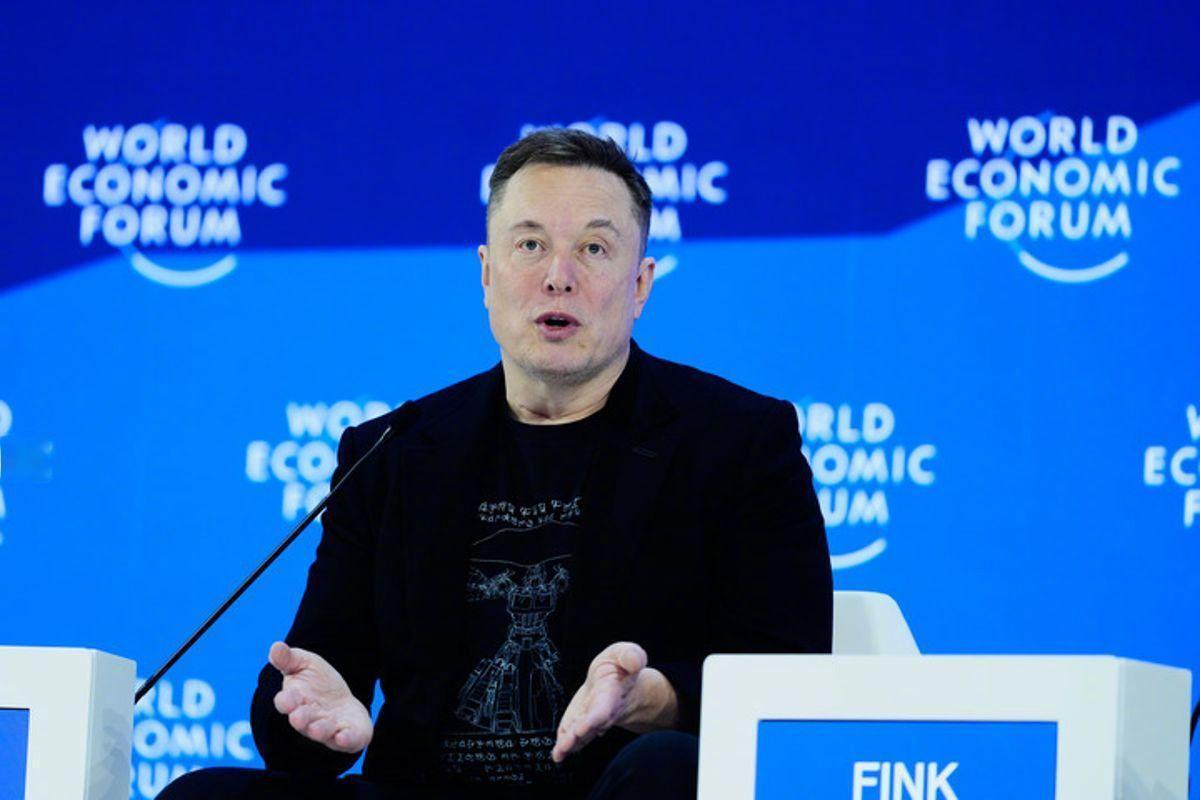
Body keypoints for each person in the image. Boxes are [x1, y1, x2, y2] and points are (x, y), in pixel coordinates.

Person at [160, 128, 832, 800]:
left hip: (612, 790)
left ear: (640, 284)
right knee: (202, 797)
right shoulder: (393, 452)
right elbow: (308, 699)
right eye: (530, 244)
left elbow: (790, 679)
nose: (558, 275)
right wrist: (313, 718)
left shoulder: (738, 442)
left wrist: (651, 697)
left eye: (594, 249)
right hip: (421, 793)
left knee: (664, 773)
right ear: (487, 273)